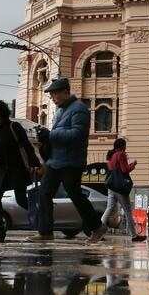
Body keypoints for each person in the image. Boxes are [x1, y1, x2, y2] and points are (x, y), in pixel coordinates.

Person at [32, 77, 107, 243]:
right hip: (55, 161)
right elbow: (58, 135)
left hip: (72, 161)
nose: (52, 97)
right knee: (44, 193)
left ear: (66, 92)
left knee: (75, 194)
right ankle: (45, 232)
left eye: (54, 94)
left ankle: (97, 227)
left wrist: (50, 135)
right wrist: (46, 136)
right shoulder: (60, 111)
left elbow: (78, 135)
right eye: (51, 94)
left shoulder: (78, 109)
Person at [0, 100, 41, 242]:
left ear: (1, 114)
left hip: (16, 170)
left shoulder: (14, 126)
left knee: (21, 199)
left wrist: (35, 163)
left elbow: (27, 146)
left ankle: (42, 222)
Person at [101, 138, 146, 243]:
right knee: (128, 211)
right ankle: (134, 235)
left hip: (111, 186)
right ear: (122, 146)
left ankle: (98, 231)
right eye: (125, 145)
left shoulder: (111, 155)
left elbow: (113, 169)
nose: (126, 147)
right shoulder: (121, 154)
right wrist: (133, 164)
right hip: (120, 187)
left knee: (109, 209)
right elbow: (124, 170)